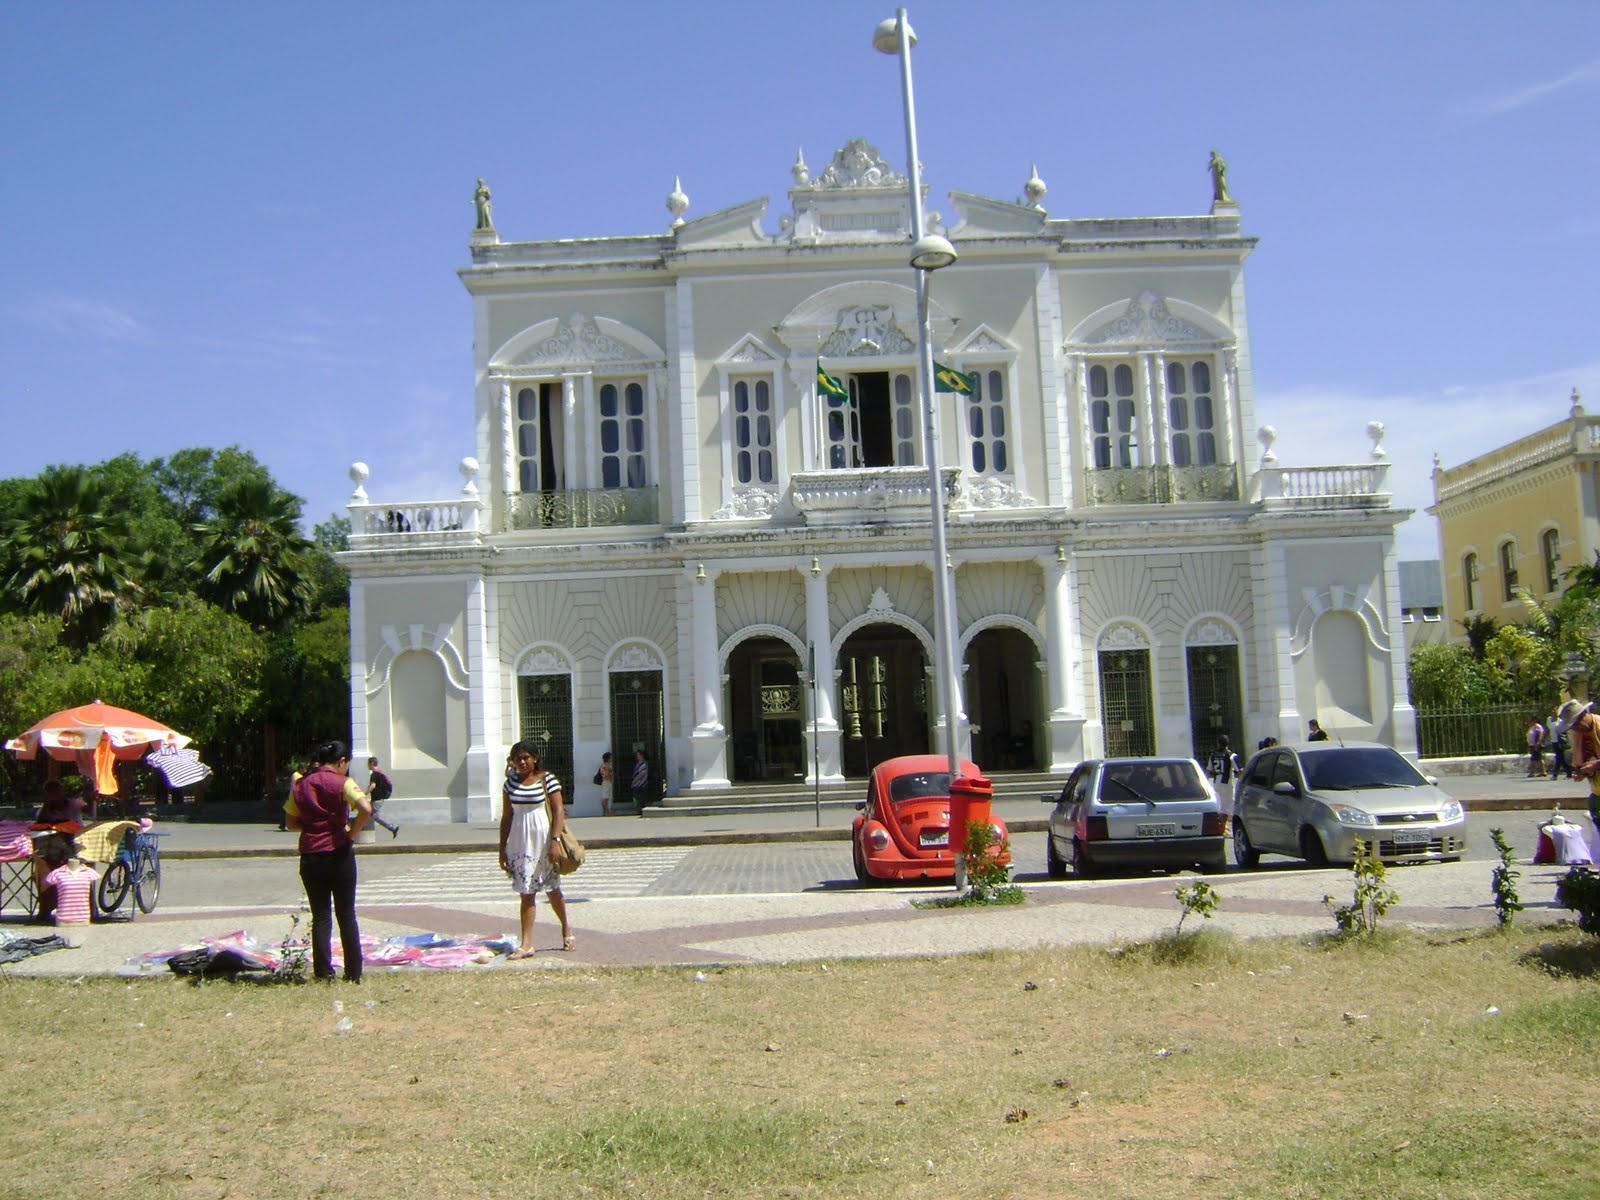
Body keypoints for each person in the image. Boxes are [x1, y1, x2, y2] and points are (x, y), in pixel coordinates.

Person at [285, 740, 372, 982]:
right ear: (341, 761)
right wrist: (351, 833)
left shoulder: (301, 784)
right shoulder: (343, 783)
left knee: (321, 915)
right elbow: (365, 808)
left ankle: (323, 972)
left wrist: (313, 826)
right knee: (346, 914)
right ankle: (353, 972)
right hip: (339, 852)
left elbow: (290, 822)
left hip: (311, 854)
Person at [498, 741, 573, 958]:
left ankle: (566, 929)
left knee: (552, 889)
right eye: (518, 759)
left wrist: (555, 841)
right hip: (520, 842)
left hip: (544, 841)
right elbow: (507, 817)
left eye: (526, 758)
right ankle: (527, 943)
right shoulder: (510, 784)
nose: (522, 762)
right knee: (526, 892)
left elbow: (558, 811)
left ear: (535, 759)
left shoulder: (547, 780)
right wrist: (502, 849)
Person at [366, 757, 400, 838]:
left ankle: (392, 828)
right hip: (378, 799)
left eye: (368, 764)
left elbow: (372, 786)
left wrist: (364, 794)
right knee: (366, 813)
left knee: (374, 817)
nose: (367, 766)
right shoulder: (380, 773)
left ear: (372, 764)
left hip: (377, 800)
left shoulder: (375, 774)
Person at [596, 751, 615, 817]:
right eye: (610, 757)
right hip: (607, 782)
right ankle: (607, 812)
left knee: (606, 798)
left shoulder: (605, 765)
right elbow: (606, 774)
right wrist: (611, 779)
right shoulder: (606, 765)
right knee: (605, 798)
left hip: (606, 782)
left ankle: (605, 812)